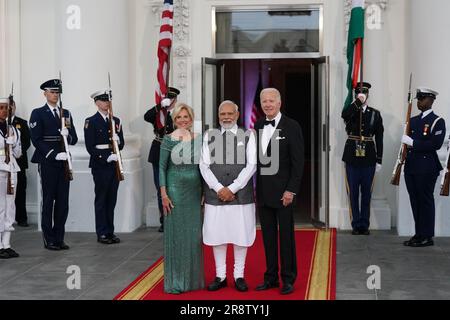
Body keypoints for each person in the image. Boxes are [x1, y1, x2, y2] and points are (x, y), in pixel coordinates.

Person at [200, 101, 257, 292]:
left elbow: (252, 165)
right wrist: (218, 188)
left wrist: (232, 189)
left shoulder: (248, 135)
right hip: (215, 195)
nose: (226, 117)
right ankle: (221, 276)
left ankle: (239, 275)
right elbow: (203, 165)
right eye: (222, 114)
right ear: (218, 116)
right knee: (218, 235)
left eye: (229, 113)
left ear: (237, 114)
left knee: (240, 235)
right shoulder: (209, 135)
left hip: (241, 196)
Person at [254, 88, 304, 295]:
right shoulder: (257, 125)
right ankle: (271, 277)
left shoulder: (292, 126)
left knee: (286, 237)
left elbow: (298, 162)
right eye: (264, 101)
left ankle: (288, 279)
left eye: (271, 101)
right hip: (264, 193)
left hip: (284, 193)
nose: (267, 104)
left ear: (279, 103)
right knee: (267, 238)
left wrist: (291, 190)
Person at [159, 103, 204, 294]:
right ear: (174, 119)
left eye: (186, 117)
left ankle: (192, 280)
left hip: (194, 191)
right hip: (174, 190)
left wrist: (204, 192)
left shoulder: (199, 139)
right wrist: (164, 194)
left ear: (191, 119)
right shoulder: (168, 140)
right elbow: (161, 167)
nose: (183, 120)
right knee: (177, 235)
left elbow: (204, 167)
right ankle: (176, 281)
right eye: (179, 117)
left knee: (194, 236)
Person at [29, 79, 78, 251]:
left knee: (63, 202)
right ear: (45, 93)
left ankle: (59, 238)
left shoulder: (66, 113)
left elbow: (74, 138)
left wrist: (68, 135)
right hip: (48, 161)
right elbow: (36, 139)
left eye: (57, 92)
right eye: (52, 92)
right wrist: (53, 154)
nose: (55, 95)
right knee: (49, 200)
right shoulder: (38, 113)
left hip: (64, 161)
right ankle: (48, 239)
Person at [402, 87, 446, 247]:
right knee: (415, 200)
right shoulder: (412, 121)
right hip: (411, 166)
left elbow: (435, 144)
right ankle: (419, 233)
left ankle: (427, 236)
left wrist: (412, 142)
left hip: (427, 167)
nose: (419, 102)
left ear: (431, 100)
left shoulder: (437, 121)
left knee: (425, 200)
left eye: (422, 99)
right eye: (418, 99)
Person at [341, 82, 384, 235]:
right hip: (352, 157)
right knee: (353, 192)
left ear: (368, 94)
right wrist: (357, 103)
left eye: (364, 93)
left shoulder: (375, 114)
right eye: (359, 93)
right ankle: (355, 224)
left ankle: (364, 225)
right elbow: (344, 115)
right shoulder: (351, 110)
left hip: (369, 158)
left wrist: (379, 159)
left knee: (366, 193)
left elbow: (379, 138)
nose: (362, 95)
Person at [84, 90, 125, 244]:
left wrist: (118, 141)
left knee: (111, 199)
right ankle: (101, 232)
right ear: (96, 102)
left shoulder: (116, 120)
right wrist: (106, 157)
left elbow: (121, 143)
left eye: (108, 100)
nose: (106, 103)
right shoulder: (91, 121)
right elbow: (90, 146)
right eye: (102, 100)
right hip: (101, 165)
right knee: (101, 199)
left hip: (114, 164)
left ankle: (110, 231)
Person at [144, 87, 180, 233]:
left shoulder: (178, 115)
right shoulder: (159, 114)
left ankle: (175, 219)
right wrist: (160, 106)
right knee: (161, 188)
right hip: (159, 151)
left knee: (174, 188)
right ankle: (164, 220)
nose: (171, 101)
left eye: (173, 99)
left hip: (175, 153)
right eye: (168, 99)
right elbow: (146, 116)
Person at [0, 97, 22, 259]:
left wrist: (12, 144)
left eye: (6, 108)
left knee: (10, 206)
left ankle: (7, 243)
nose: (4, 110)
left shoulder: (13, 130)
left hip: (12, 170)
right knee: (0, 207)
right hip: (0, 169)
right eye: (1, 107)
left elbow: (18, 153)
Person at [10, 101, 31, 227]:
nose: (9, 109)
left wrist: (15, 151)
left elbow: (27, 142)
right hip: (3, 162)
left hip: (19, 162)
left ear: (15, 107)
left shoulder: (22, 123)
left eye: (12, 106)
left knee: (21, 190)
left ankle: (21, 217)